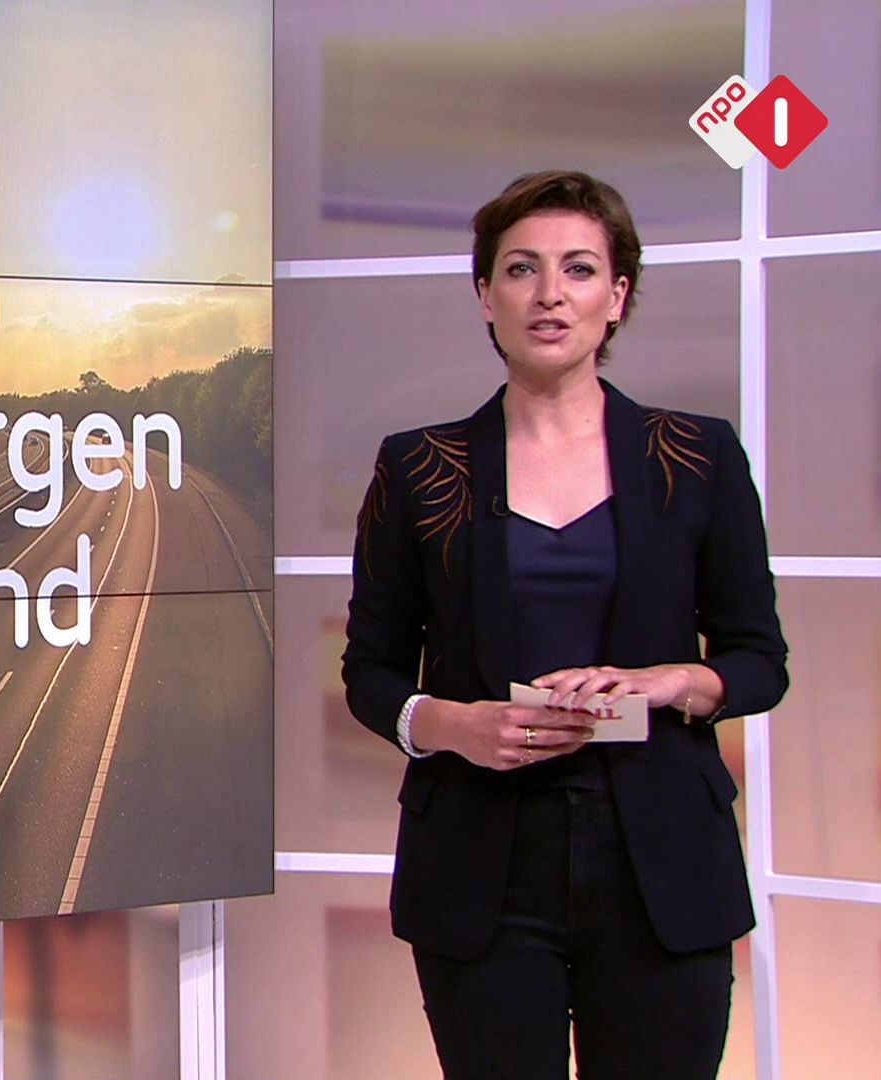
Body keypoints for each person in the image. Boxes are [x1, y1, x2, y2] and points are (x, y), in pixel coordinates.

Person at [341, 170, 789, 1079]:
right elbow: (370, 673)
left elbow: (759, 660)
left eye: (579, 269)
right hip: (481, 864)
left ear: (616, 297)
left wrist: (673, 681)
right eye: (522, 269)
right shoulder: (418, 467)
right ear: (485, 296)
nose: (550, 294)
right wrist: (452, 725)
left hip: (660, 857)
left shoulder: (698, 456)